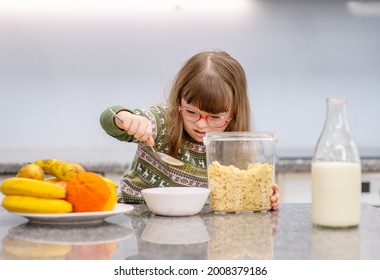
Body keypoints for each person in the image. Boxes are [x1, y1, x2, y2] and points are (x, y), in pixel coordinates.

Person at [100, 50, 280, 210]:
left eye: (215, 117)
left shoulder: (233, 146)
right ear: (179, 101)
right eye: (192, 112)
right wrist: (127, 119)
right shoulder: (163, 121)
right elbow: (109, 119)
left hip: (196, 229)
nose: (201, 124)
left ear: (234, 113)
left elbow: (238, 198)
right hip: (139, 214)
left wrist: (263, 197)